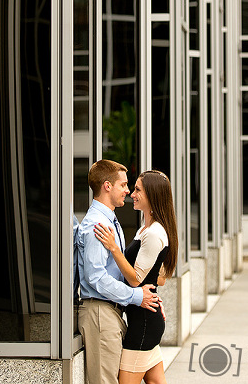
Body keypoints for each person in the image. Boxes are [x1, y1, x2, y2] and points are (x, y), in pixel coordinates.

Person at [76, 160, 161, 384]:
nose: (127, 191)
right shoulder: (98, 225)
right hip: (100, 314)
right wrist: (137, 297)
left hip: (108, 313)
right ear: (107, 186)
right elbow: (96, 278)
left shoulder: (108, 220)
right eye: (123, 185)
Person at [94, 169, 178, 384]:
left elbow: (135, 280)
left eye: (138, 189)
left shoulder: (154, 233)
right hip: (146, 319)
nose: (132, 193)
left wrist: (114, 248)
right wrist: (153, 295)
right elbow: (158, 279)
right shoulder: (146, 229)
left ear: (152, 194)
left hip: (143, 324)